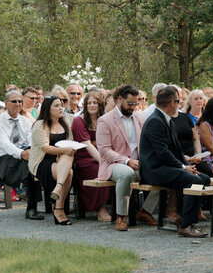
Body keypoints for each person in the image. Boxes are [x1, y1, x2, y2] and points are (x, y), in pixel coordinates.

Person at [140, 85, 211, 238]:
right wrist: (183, 168)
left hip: (166, 166)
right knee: (194, 180)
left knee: (204, 178)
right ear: (172, 103)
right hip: (154, 169)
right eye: (179, 101)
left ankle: (184, 218)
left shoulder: (166, 119)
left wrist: (187, 165)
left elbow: (176, 149)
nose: (181, 104)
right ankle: (186, 226)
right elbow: (162, 153)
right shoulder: (154, 121)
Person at [96, 85, 158, 231]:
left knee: (163, 171)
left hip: (138, 163)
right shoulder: (105, 120)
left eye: (136, 103)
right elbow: (104, 150)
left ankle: (145, 211)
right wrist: (126, 161)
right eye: (130, 103)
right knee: (126, 173)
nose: (133, 107)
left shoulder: (139, 117)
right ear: (119, 99)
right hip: (113, 165)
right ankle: (121, 217)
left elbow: (146, 143)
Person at [0, 90, 39, 218]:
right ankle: (31, 207)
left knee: (35, 163)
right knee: (30, 165)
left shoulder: (25, 121)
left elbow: (31, 140)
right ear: (6, 103)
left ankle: (30, 195)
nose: (17, 104)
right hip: (5, 157)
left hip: (24, 156)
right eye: (14, 101)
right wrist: (22, 154)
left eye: (20, 101)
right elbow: (5, 145)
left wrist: (28, 152)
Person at [29, 96, 77, 224]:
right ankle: (59, 208)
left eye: (61, 105)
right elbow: (45, 148)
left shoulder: (65, 124)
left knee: (68, 157)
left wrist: (67, 150)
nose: (61, 108)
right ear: (47, 108)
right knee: (69, 173)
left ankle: (57, 191)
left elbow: (70, 143)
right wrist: (64, 151)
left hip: (62, 160)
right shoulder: (40, 125)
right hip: (43, 161)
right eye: (56, 105)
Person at [72, 89, 112, 220]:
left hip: (103, 154)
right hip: (84, 157)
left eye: (95, 102)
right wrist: (103, 162)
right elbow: (88, 145)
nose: (92, 105)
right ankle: (102, 208)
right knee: (99, 170)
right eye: (89, 103)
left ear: (100, 105)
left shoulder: (104, 120)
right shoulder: (79, 121)